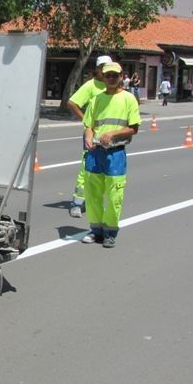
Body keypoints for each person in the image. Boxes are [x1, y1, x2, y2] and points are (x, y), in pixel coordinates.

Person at [81, 61, 141, 248]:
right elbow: (88, 125)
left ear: (122, 76)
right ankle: (95, 230)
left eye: (115, 75)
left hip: (115, 154)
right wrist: (88, 138)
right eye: (108, 75)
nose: (112, 78)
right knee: (92, 194)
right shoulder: (96, 99)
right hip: (95, 153)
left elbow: (134, 128)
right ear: (103, 77)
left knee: (114, 195)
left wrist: (113, 134)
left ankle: (110, 232)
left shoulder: (128, 99)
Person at [66, 55, 112, 218]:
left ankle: (95, 201)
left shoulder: (112, 85)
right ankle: (77, 203)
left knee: (105, 170)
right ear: (97, 69)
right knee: (87, 166)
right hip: (93, 134)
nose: (106, 70)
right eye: (103, 67)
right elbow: (72, 103)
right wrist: (86, 121)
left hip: (110, 135)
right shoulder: (91, 86)